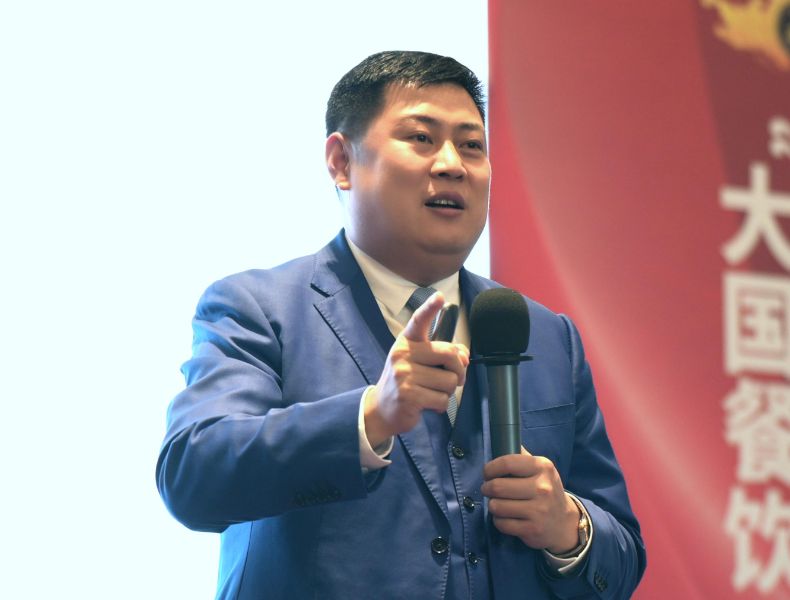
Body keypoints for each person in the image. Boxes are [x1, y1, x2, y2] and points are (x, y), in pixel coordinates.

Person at [156, 50, 646, 599]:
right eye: (421, 138)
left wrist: (569, 528)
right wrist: (371, 416)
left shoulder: (546, 335)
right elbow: (192, 475)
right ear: (342, 161)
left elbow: (622, 557)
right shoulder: (258, 309)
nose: (452, 164)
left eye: (472, 145)